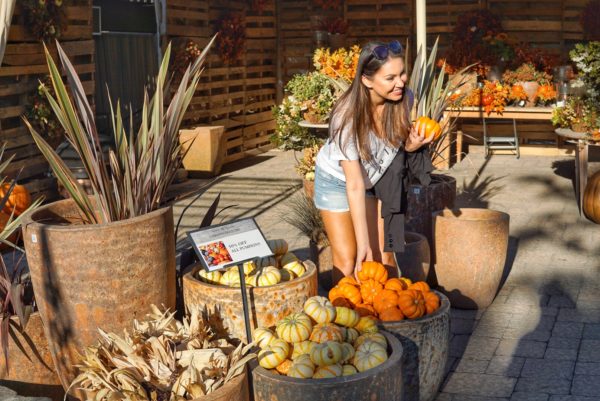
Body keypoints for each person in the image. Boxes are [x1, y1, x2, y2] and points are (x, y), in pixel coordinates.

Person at [313, 40, 433, 283]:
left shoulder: (404, 98)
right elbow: (354, 184)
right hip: (338, 182)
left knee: (385, 255)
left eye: (402, 74)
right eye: (390, 78)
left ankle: (386, 315)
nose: (400, 82)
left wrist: (413, 146)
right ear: (367, 81)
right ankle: (346, 316)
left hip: (382, 181)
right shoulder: (346, 116)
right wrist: (364, 244)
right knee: (350, 258)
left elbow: (394, 145)